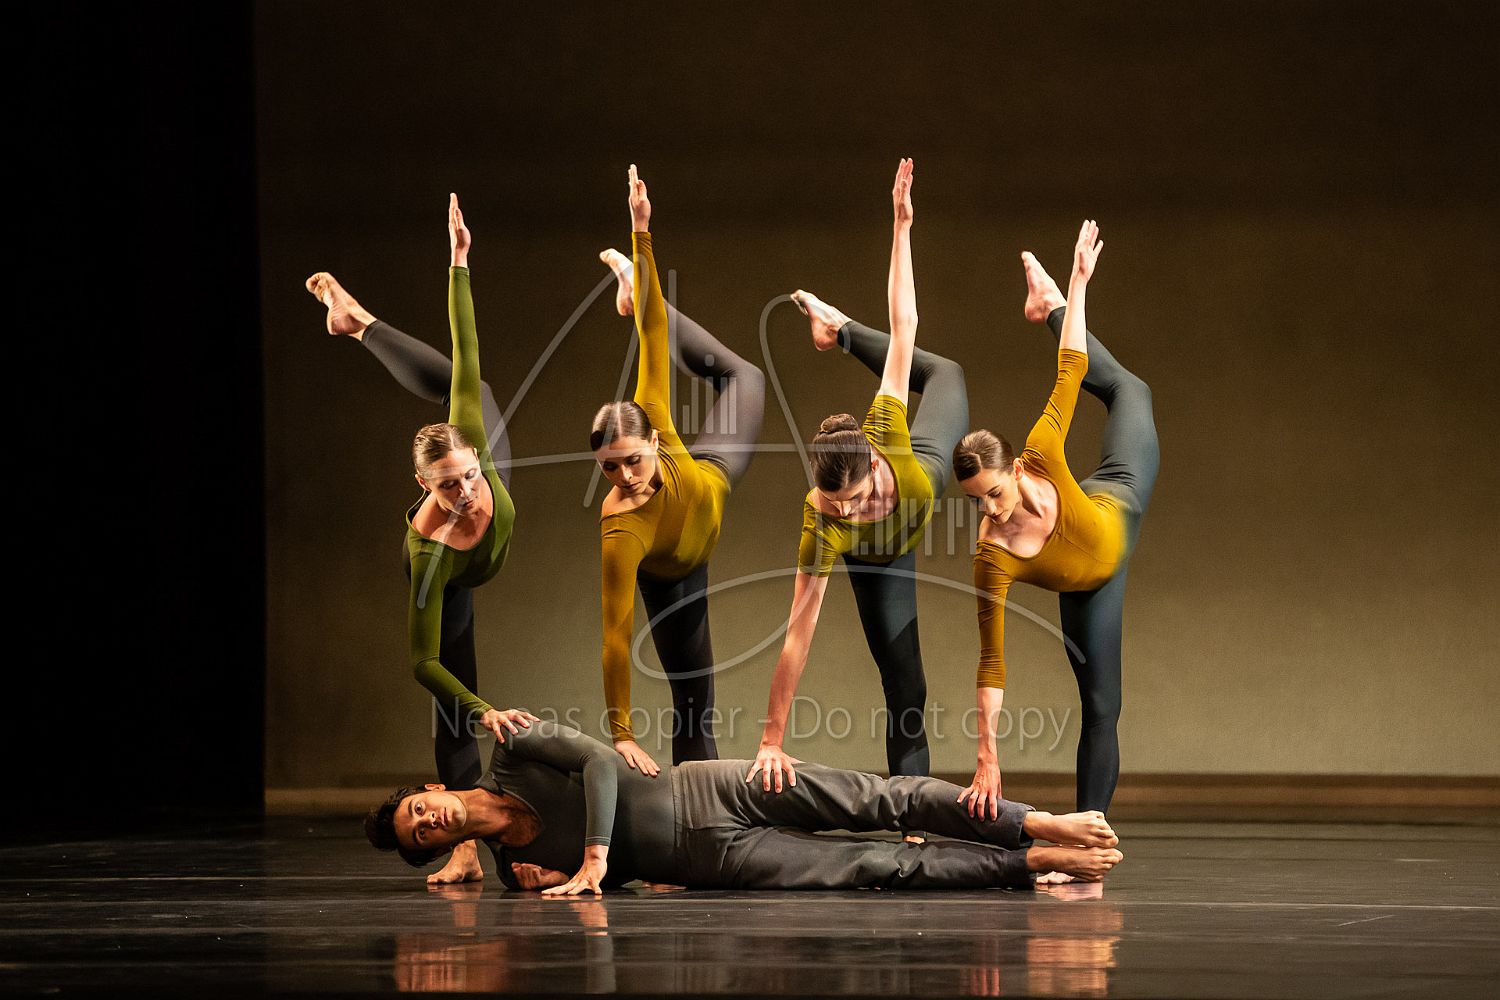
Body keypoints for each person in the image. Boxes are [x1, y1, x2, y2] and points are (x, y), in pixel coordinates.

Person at [305, 194, 535, 884]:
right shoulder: (428, 553)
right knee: (454, 695)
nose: (464, 494)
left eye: (467, 477)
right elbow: (422, 662)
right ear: (421, 484)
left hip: (479, 447)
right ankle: (465, 849)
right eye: (446, 486)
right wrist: (484, 711)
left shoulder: (477, 457)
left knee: (469, 381)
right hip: (459, 577)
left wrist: (459, 262)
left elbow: (466, 343)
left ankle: (359, 323)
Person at [750, 160, 969, 821]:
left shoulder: (885, 426)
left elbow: (906, 323)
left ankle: (839, 329)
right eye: (833, 505)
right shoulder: (822, 521)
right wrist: (770, 739)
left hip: (924, 467)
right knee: (906, 686)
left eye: (851, 500)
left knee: (945, 371)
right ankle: (913, 824)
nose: (843, 511)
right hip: (884, 561)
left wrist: (901, 227)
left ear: (871, 464)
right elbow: (798, 633)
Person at [364, 720, 1124, 892]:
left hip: (707, 785)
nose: (429, 823)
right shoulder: (517, 871)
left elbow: (598, 760)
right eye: (420, 838)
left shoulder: (511, 750)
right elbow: (616, 886)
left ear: (431, 791)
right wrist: (583, 878)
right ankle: (1029, 862)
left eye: (418, 813)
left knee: (877, 798)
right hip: (713, 859)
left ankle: (1029, 819)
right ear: (437, 847)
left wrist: (592, 857)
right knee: (871, 865)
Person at [954, 221, 1160, 824]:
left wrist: (1076, 284)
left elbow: (1070, 367)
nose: (990, 510)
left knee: (1130, 391)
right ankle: (1086, 837)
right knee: (1102, 708)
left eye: (995, 493)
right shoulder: (992, 557)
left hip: (1117, 493)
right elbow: (991, 661)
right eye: (976, 502)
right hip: (1090, 584)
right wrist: (986, 756)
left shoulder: (1041, 450)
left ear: (1015, 469)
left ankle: (1047, 305)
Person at [590, 165, 766, 774]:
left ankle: (634, 287)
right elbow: (616, 637)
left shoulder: (654, 415)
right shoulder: (619, 530)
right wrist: (621, 734)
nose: (625, 477)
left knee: (745, 376)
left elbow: (654, 335)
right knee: (694, 701)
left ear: (651, 439)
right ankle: (697, 815)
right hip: (677, 575)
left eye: (633, 460)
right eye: (610, 469)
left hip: (710, 475)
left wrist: (641, 233)